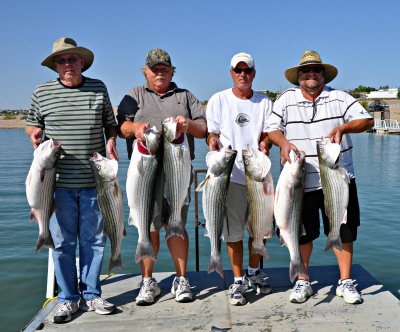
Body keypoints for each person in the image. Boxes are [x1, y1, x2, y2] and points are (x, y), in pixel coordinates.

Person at [267, 50, 373, 304]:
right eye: (305, 70)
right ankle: (303, 281)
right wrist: (281, 143)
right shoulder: (284, 99)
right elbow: (272, 129)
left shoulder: (339, 97)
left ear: (323, 74)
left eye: (316, 70)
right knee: (302, 233)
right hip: (299, 180)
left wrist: (343, 127)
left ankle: (345, 281)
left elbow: (367, 121)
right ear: (298, 76)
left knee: (344, 231)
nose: (311, 74)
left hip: (339, 179)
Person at [26, 38, 119, 323]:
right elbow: (33, 123)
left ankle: (91, 294)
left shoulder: (98, 88)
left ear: (82, 62)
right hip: (55, 186)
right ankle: (68, 298)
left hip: (96, 183)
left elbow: (110, 124)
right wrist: (33, 134)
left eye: (72, 59)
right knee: (63, 244)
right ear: (55, 66)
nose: (68, 64)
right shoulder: (42, 92)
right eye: (62, 61)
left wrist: (112, 140)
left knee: (94, 241)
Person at [117, 48, 207, 305]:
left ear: (171, 71)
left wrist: (187, 124)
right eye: (154, 69)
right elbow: (122, 126)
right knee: (149, 227)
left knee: (176, 225)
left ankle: (181, 280)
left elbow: (202, 129)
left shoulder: (185, 96)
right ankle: (147, 282)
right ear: (146, 72)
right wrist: (135, 127)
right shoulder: (134, 95)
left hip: (177, 173)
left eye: (164, 69)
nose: (159, 73)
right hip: (145, 174)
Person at [206, 53, 273, 306]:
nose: (242, 74)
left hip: (259, 175)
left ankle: (254, 273)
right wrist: (212, 141)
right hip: (229, 176)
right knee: (234, 232)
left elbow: (268, 133)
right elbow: (212, 132)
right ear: (231, 72)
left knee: (262, 229)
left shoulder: (265, 102)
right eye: (238, 70)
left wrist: (265, 143)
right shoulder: (218, 99)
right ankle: (237, 281)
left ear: (254, 73)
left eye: (247, 70)